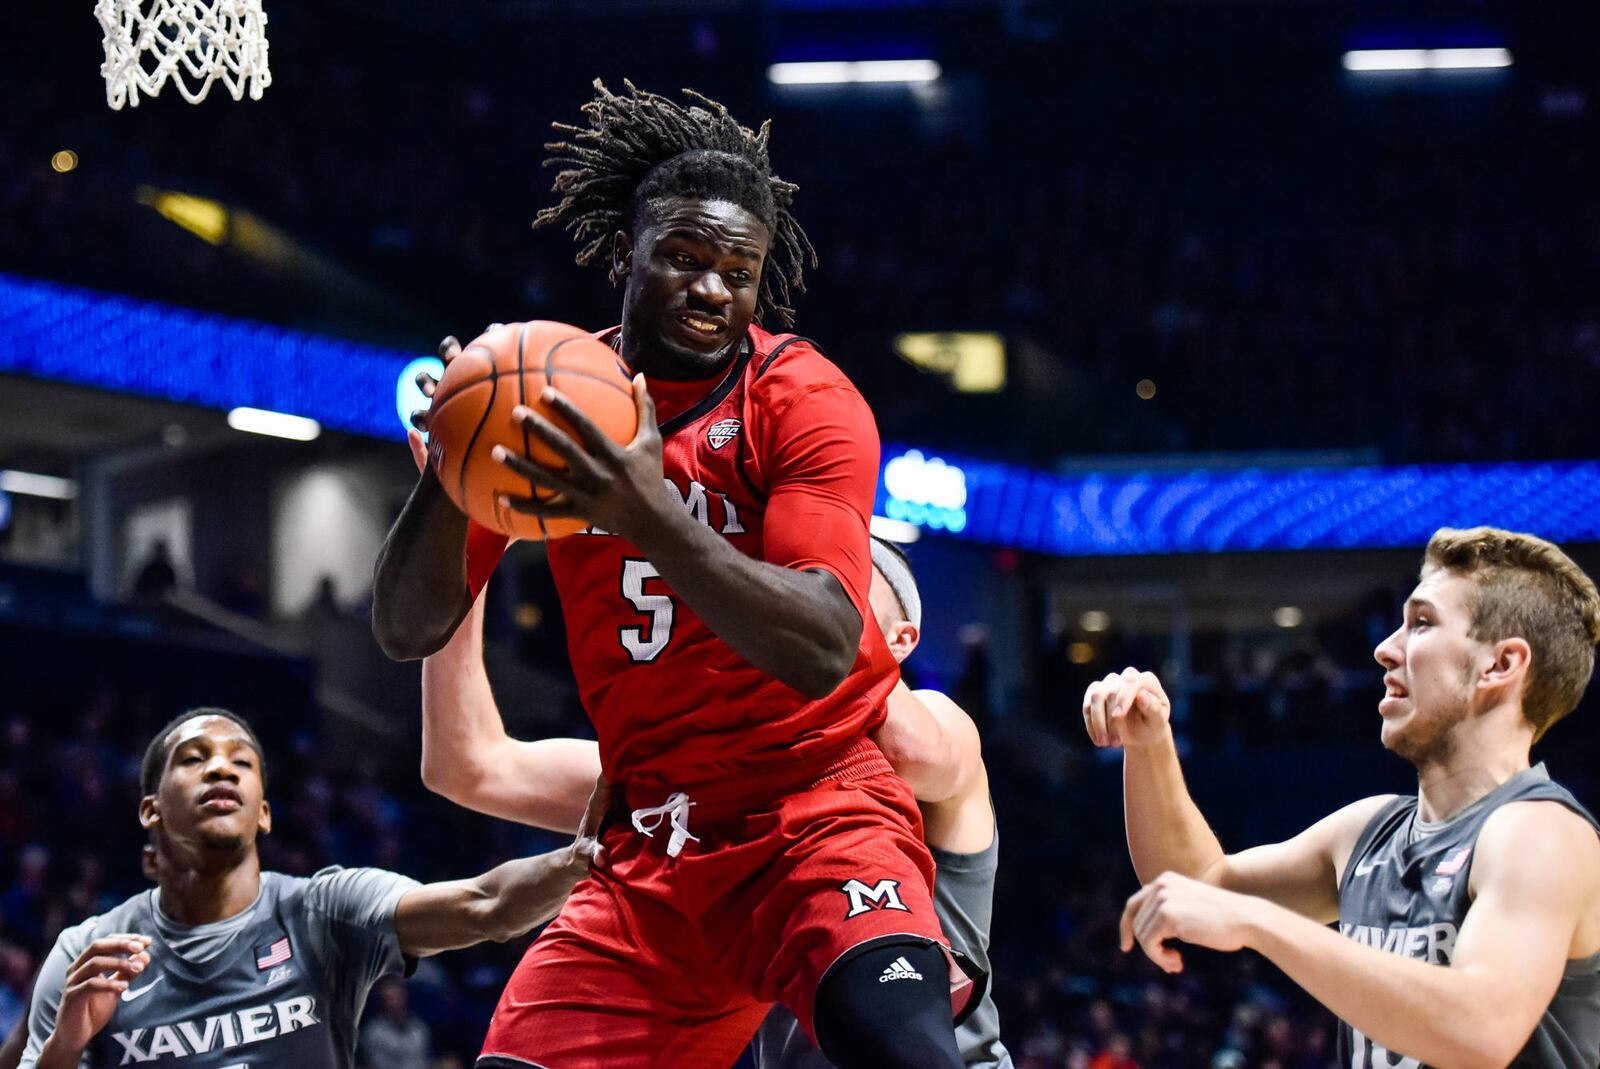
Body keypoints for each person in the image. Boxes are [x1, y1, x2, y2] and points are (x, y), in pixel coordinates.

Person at [373, 81, 977, 1069]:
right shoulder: (553, 400)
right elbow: (406, 627)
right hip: (652, 842)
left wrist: (642, 508)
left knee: (907, 1055)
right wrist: (449, 474)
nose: (710, 290)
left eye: (736, 271)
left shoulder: (803, 399)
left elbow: (824, 642)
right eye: (685, 259)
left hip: (812, 814)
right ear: (624, 256)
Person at [416, 535, 1012, 1068]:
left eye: (840, 580)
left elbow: (908, 749)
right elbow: (469, 766)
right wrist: (465, 543)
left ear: (902, 639)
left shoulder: (936, 719)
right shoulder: (688, 776)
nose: (799, 591)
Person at [1083, 527, 1600, 1069]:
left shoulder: (1542, 833)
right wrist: (1149, 746)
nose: (1385, 648)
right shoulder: (1368, 831)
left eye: (1421, 624)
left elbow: (1482, 1029)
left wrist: (1256, 923)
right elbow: (1196, 884)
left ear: (1501, 665)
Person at [20, 709, 604, 1069]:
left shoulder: (321, 911)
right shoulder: (87, 952)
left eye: (241, 763)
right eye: (194, 760)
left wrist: (580, 858)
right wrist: (66, 1046)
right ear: (149, 808)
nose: (221, 770)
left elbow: (485, 905)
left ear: (266, 814)